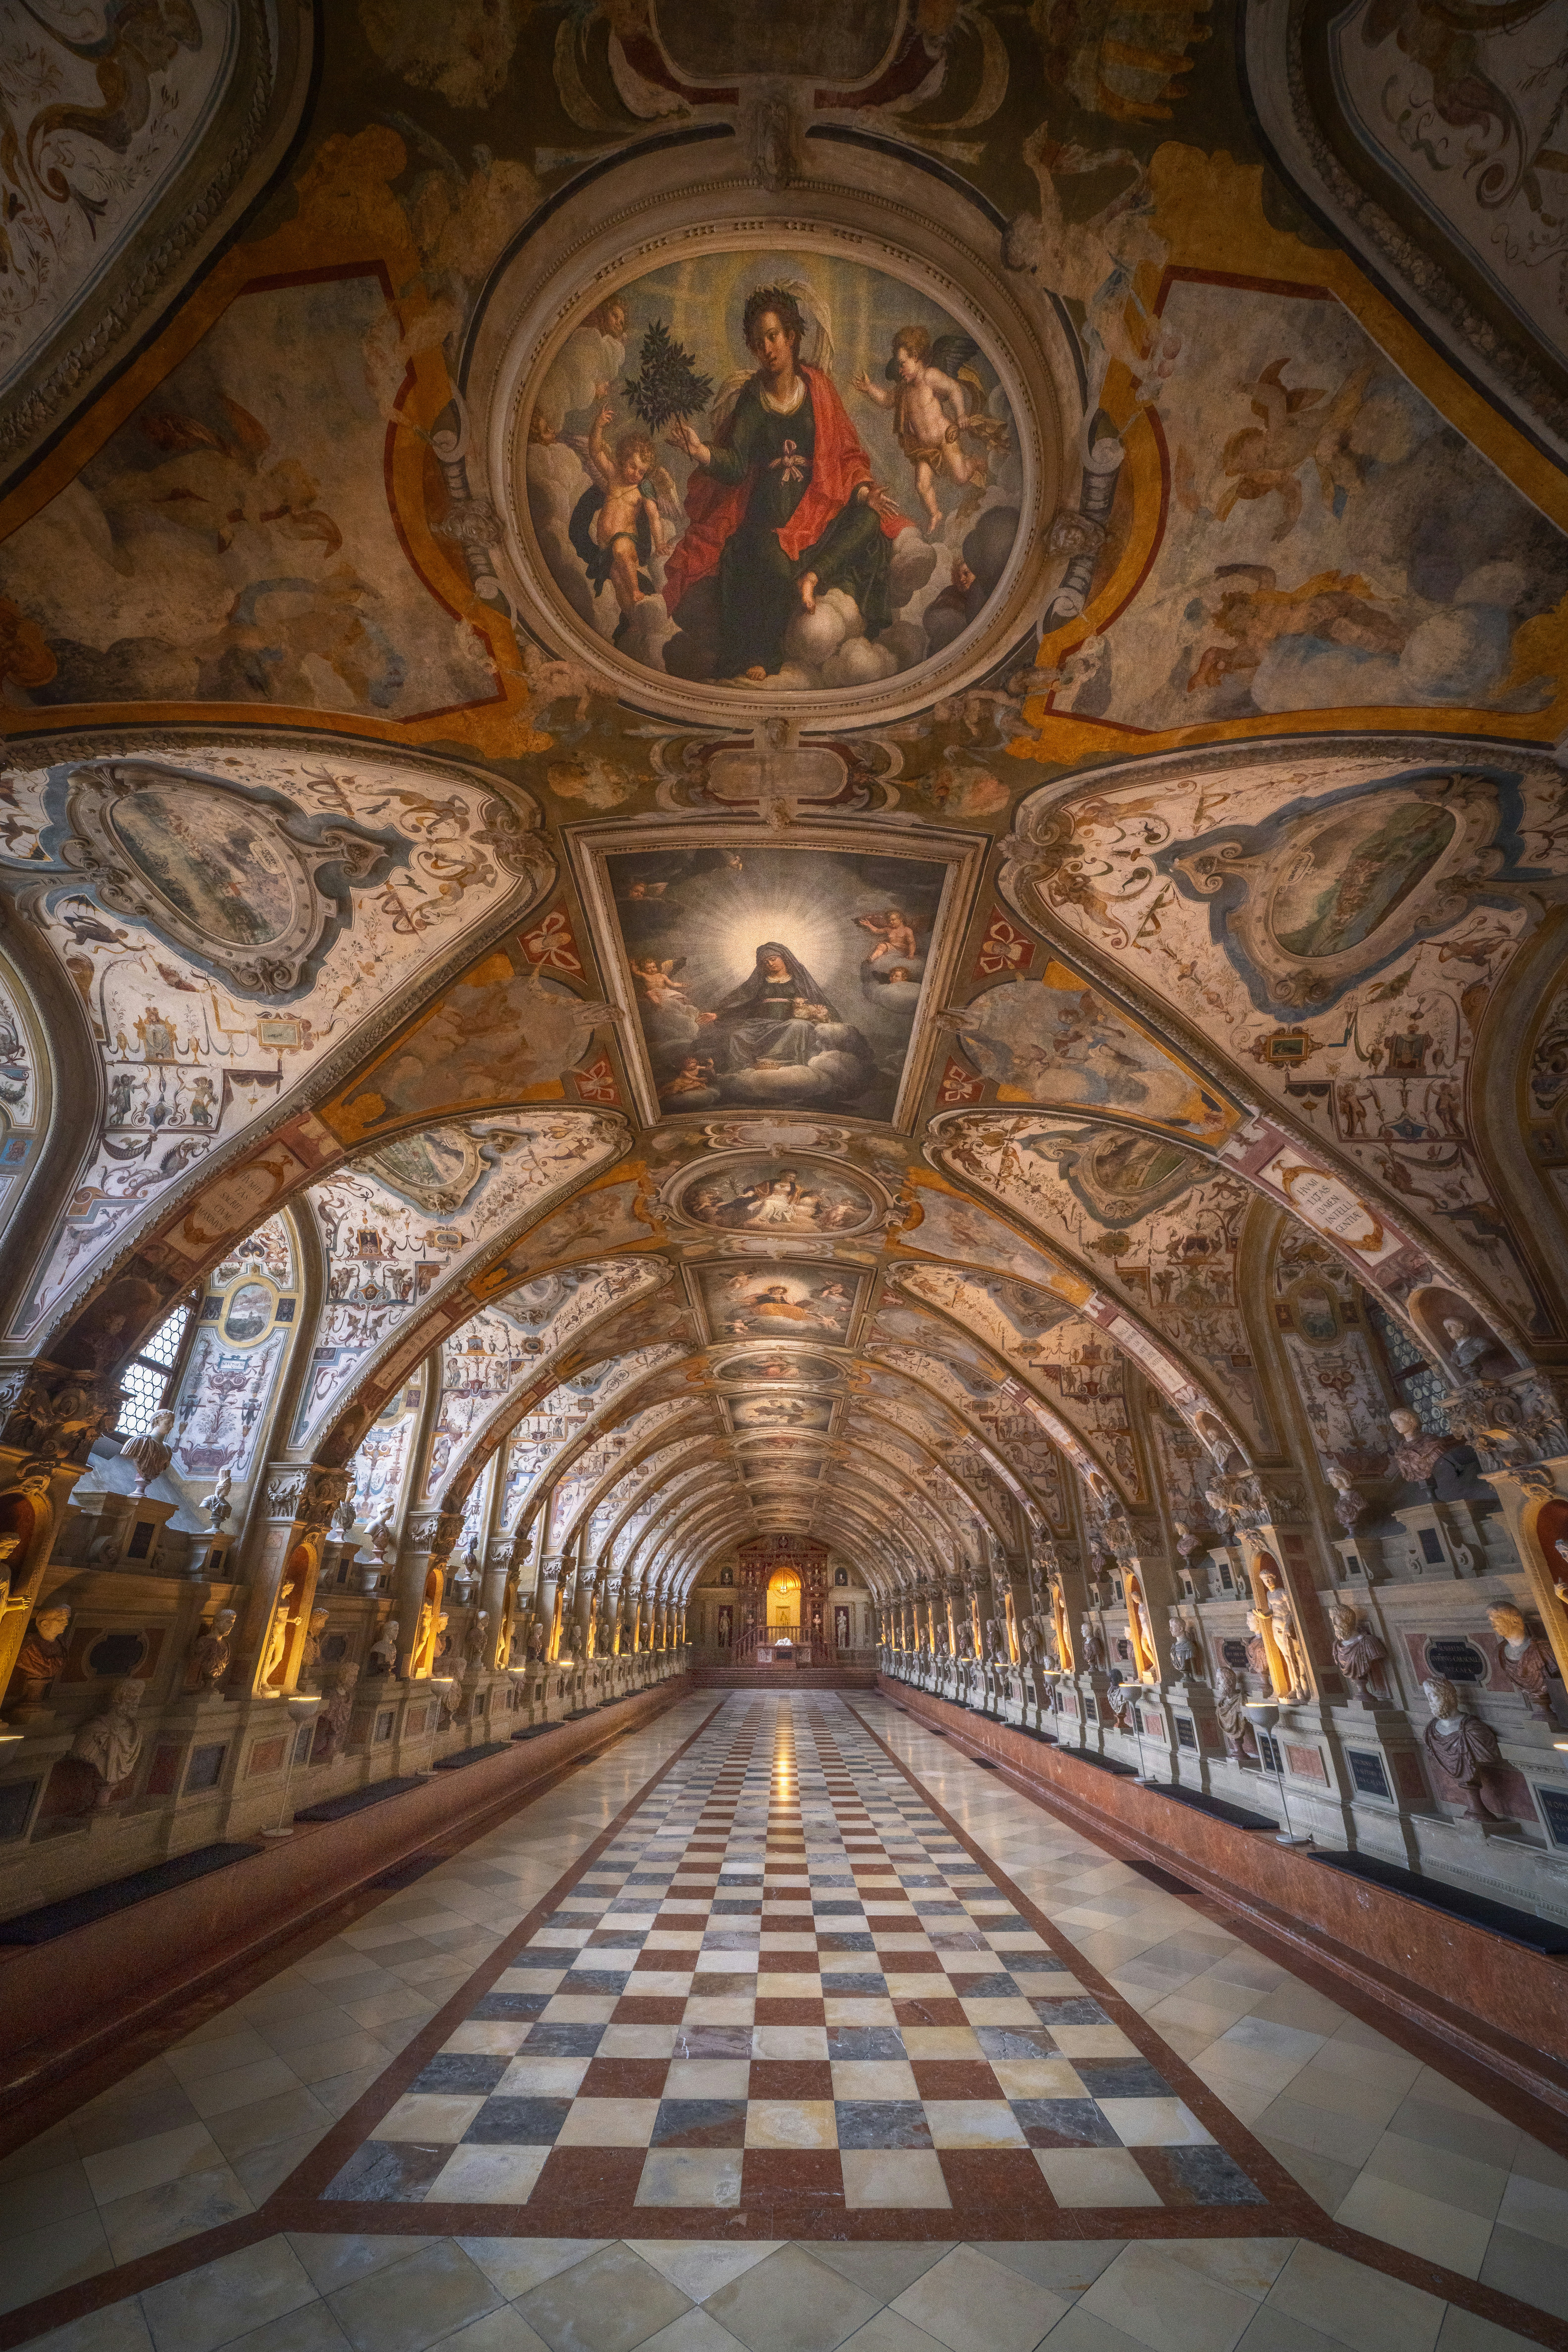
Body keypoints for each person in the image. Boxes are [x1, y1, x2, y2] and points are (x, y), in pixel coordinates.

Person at [664, 286, 908, 681]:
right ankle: (762, 657)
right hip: (769, 529)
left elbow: (845, 455)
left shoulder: (818, 388)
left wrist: (864, 491)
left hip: (817, 522)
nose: (768, 348)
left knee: (868, 520)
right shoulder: (753, 398)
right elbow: (737, 466)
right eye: (759, 342)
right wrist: (701, 452)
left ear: (792, 336)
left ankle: (814, 576)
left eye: (774, 336)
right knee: (773, 570)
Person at [852, 326, 1002, 534]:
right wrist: (869, 389)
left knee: (960, 478)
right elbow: (887, 401)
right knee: (922, 485)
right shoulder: (904, 388)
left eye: (903, 364)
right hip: (923, 449)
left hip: (944, 439)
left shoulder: (929, 377)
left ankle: (975, 463)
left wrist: (961, 415)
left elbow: (954, 389)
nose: (900, 370)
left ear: (916, 357)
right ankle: (935, 514)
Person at [568, 410, 666, 630]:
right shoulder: (613, 476)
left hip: (627, 538)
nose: (636, 474)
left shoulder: (642, 490)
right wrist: (599, 426)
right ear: (622, 461)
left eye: (642, 471)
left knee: (623, 551)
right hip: (605, 544)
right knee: (616, 577)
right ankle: (632, 618)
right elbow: (595, 452)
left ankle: (636, 591)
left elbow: (654, 518)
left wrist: (660, 542)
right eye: (632, 467)